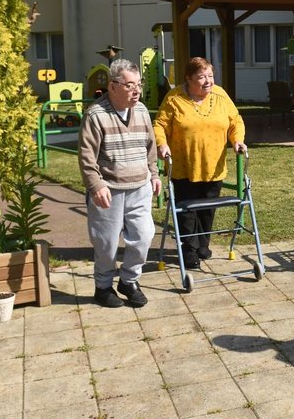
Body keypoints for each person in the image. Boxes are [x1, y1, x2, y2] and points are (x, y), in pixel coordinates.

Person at [79, 59, 161, 308]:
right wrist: (96, 185)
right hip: (109, 190)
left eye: (139, 84)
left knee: (144, 235)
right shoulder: (96, 115)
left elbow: (150, 147)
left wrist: (155, 174)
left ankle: (129, 280)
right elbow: (86, 156)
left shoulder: (143, 111)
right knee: (106, 243)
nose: (137, 90)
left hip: (140, 186)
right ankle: (103, 287)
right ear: (113, 86)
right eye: (130, 85)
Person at [154, 57, 246, 269]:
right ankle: (189, 248)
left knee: (208, 207)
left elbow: (235, 120)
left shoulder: (220, 95)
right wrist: (161, 144)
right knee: (187, 209)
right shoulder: (174, 98)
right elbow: (159, 124)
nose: (208, 81)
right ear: (188, 78)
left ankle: (203, 242)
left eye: (210, 76)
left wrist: (237, 140)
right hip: (184, 165)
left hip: (213, 165)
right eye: (202, 77)